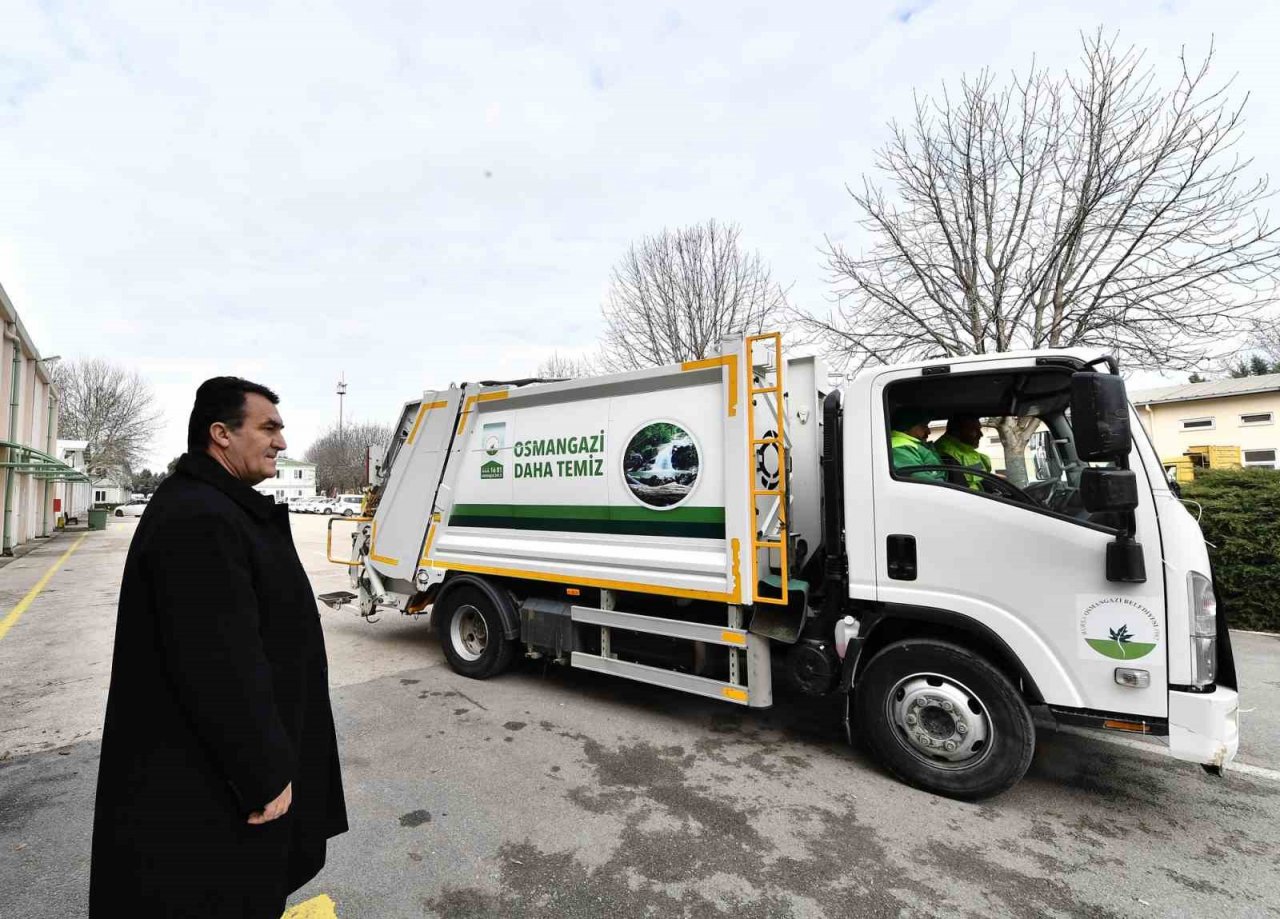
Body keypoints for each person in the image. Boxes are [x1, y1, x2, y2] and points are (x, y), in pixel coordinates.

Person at [90, 378, 347, 918]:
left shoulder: (214, 505)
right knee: (216, 892)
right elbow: (218, 664)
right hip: (212, 788)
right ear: (221, 434)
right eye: (269, 427)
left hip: (214, 774)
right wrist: (265, 775)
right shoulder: (201, 518)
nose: (281, 442)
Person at [934, 414, 994, 490]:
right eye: (974, 430)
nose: (981, 434)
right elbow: (964, 479)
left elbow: (973, 473)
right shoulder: (946, 451)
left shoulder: (963, 448)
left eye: (979, 429)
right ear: (957, 431)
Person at [889, 407, 945, 481]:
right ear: (908, 426)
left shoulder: (913, 444)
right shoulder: (900, 447)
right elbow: (923, 480)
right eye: (923, 426)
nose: (928, 432)